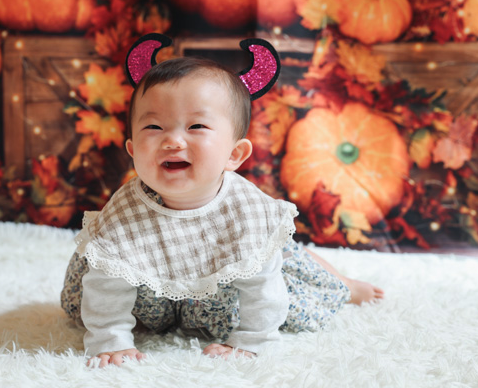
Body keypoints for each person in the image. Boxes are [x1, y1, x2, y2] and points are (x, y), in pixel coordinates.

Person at [61, 38, 383, 368]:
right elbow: (107, 288)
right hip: (154, 291)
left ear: (234, 154)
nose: (173, 140)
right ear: (132, 150)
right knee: (94, 287)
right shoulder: (124, 212)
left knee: (290, 261)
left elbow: (263, 290)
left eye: (196, 126)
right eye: (154, 126)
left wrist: (252, 340)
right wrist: (111, 340)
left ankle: (345, 284)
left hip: (226, 285)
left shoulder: (247, 210)